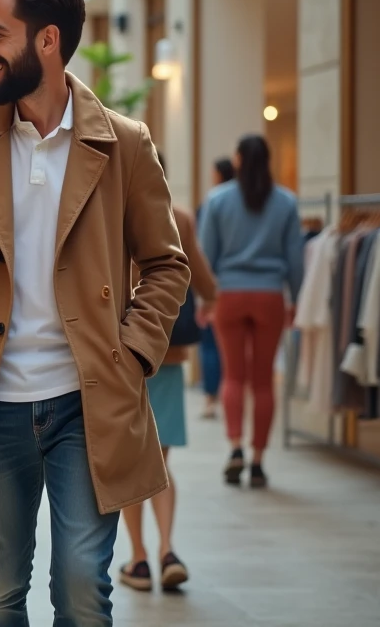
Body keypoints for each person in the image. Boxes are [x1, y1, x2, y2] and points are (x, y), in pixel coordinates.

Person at [0, 0, 189, 627]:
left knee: (82, 587)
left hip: (87, 403)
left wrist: (131, 355)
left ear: (47, 40)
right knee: (1, 587)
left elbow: (165, 264)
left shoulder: (123, 144)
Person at [119, 153, 217, 593]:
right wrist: (213, 301)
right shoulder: (179, 216)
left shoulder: (112, 211)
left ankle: (138, 558)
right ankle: (167, 549)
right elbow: (197, 272)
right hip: (169, 353)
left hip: (122, 354)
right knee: (159, 460)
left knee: (128, 462)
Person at [199, 134, 302, 488]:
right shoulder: (286, 202)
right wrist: (297, 299)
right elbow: (296, 259)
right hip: (270, 295)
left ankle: (235, 448)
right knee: (262, 382)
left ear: (239, 159)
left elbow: (205, 255)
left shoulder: (218, 200)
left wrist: (204, 300)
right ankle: (258, 461)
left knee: (233, 376)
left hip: (228, 294)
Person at [197, 156, 236, 419]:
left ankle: (212, 398)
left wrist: (204, 296)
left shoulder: (213, 202)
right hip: (261, 291)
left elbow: (204, 251)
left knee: (210, 346)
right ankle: (235, 399)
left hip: (220, 287)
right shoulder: (257, 200)